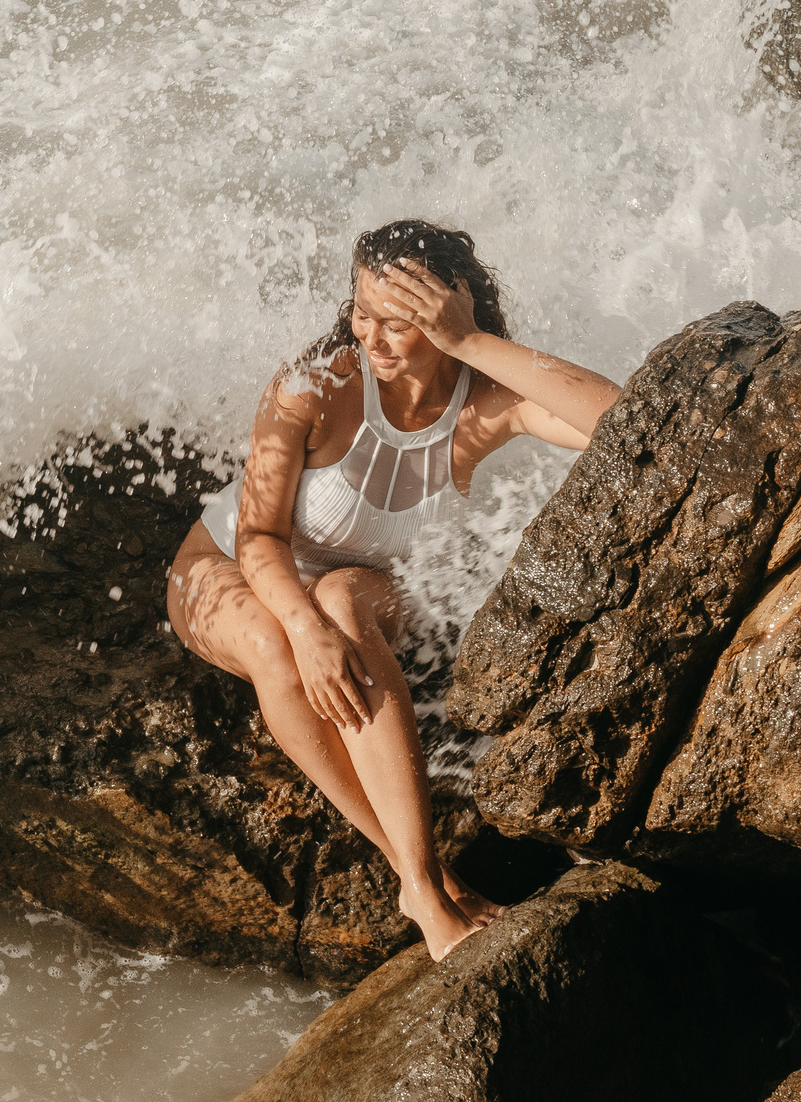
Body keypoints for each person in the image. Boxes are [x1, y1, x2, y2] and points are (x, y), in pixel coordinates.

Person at [165, 220, 621, 961]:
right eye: (361, 312)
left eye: (399, 322)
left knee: (342, 600)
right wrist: (306, 632)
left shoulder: (485, 405)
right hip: (227, 569)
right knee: (276, 646)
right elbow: (258, 540)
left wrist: (470, 343)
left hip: (358, 588)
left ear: (449, 313)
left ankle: (421, 877)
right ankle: (421, 876)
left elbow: (618, 419)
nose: (371, 336)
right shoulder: (311, 387)